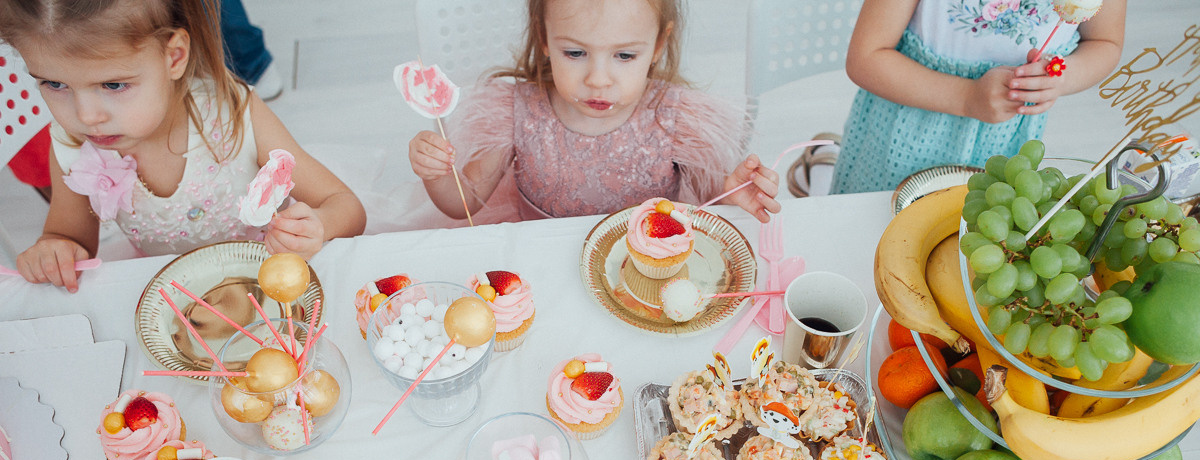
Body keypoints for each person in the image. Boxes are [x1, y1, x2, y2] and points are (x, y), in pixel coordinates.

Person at [0, 0, 366, 292]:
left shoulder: (233, 113)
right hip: (177, 298)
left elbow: (345, 207)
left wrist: (318, 225)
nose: (86, 116)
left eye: (113, 86)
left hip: (274, 281)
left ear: (173, 56)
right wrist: (55, 250)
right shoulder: (71, 144)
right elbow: (70, 237)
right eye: (53, 84)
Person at [408, 0, 780, 223]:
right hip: (540, 272)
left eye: (624, 55)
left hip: (638, 275)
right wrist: (437, 175)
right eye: (575, 53)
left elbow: (711, 201)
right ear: (544, 37)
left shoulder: (676, 118)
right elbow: (464, 203)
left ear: (658, 45)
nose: (598, 79)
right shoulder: (513, 110)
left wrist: (733, 196)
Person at [830, 0, 1126, 194]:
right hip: (901, 131)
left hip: (1004, 139)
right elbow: (865, 58)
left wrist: (1063, 77)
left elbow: (1105, 41)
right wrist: (968, 97)